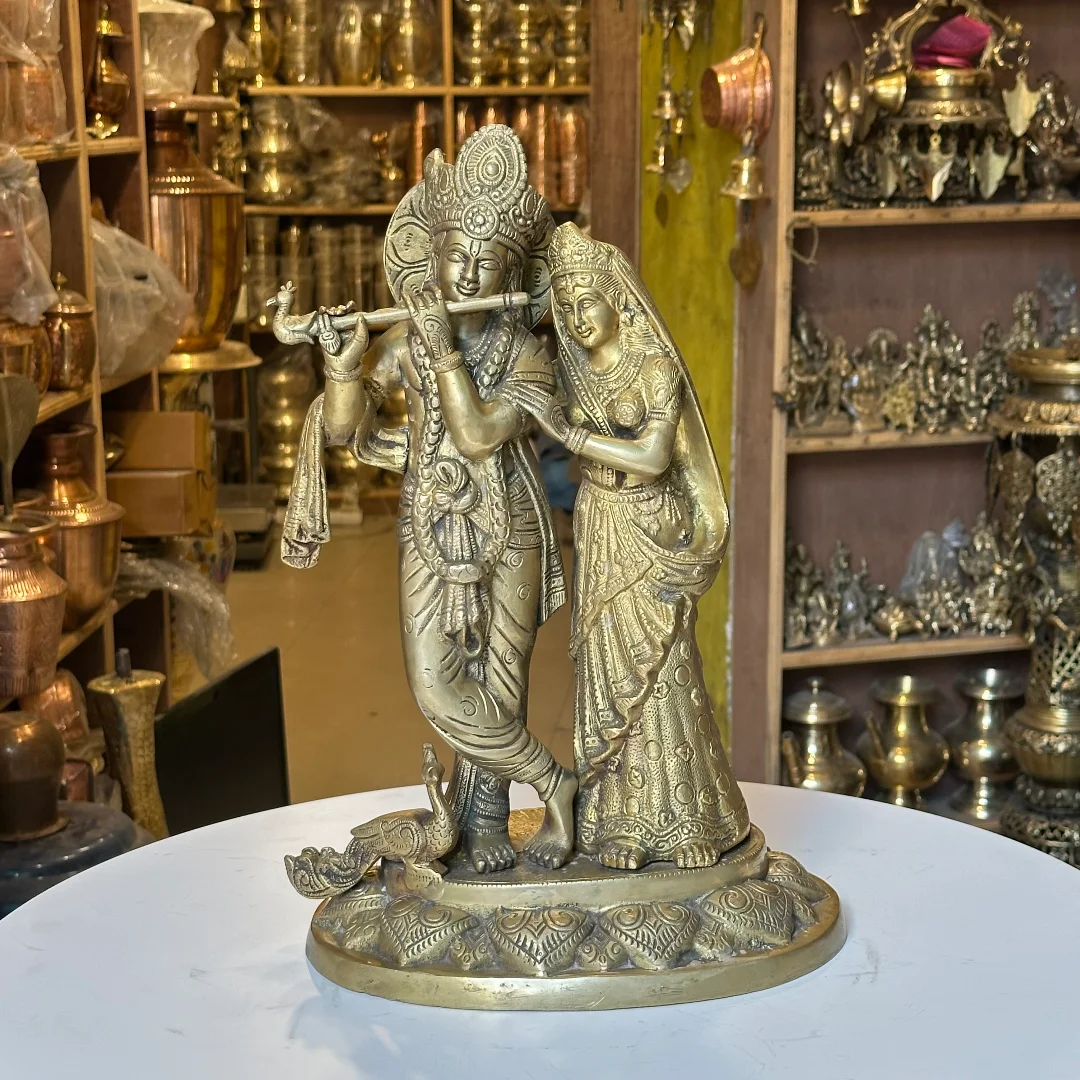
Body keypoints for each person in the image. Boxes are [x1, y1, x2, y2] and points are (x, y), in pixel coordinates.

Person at [277, 126, 576, 872]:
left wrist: (444, 348)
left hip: (510, 523)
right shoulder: (405, 342)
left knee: (498, 690)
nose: (469, 274)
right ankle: (555, 782)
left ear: (514, 272)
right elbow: (346, 429)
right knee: (438, 684)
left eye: (488, 261)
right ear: (430, 258)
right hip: (428, 521)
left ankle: (485, 830)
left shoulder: (526, 353)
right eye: (456, 257)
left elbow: (478, 435)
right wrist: (344, 369)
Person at [523, 223, 750, 871]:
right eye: (566, 307)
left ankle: (685, 821)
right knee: (603, 664)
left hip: (651, 524)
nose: (577, 318)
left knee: (664, 667)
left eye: (586, 302)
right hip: (599, 522)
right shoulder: (570, 369)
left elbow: (653, 457)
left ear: (617, 300)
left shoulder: (654, 368)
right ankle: (619, 821)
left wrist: (569, 433)